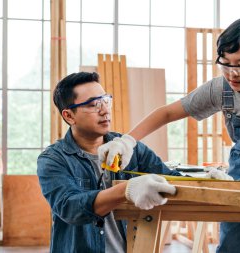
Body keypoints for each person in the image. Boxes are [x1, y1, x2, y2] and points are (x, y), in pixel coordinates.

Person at [98, 18, 240, 253]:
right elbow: (167, 113)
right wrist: (126, 141)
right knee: (232, 241)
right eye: (225, 63)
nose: (232, 73)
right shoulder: (220, 88)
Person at [37, 72, 182, 253]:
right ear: (69, 116)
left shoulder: (130, 148)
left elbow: (172, 180)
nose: (105, 110)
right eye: (93, 104)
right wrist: (126, 190)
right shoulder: (53, 159)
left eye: (106, 100)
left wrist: (207, 179)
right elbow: (70, 207)